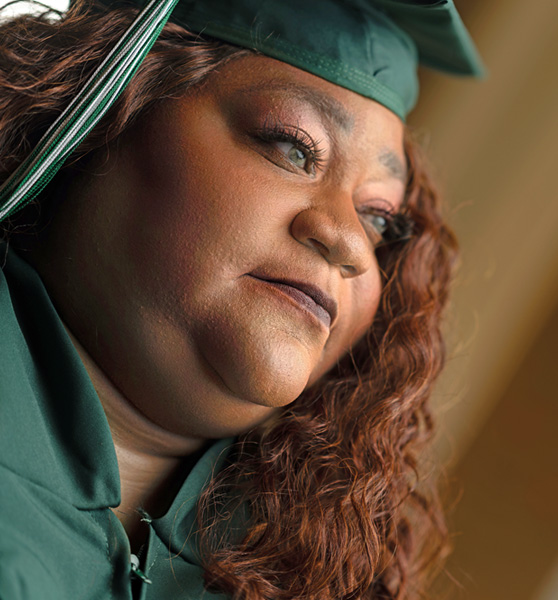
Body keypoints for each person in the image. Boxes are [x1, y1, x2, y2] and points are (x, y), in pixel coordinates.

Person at [0, 0, 482, 597]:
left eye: (379, 218)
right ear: (106, 109)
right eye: (292, 147)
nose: (350, 242)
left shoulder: (305, 569)